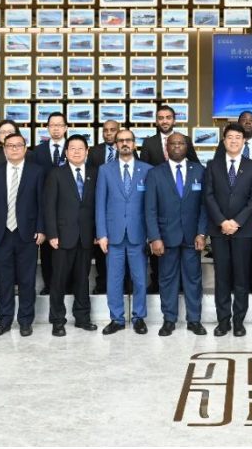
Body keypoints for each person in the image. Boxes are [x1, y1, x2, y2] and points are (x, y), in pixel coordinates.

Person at [144, 132, 208, 336]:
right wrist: (155, 238)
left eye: (181, 143)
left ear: (186, 147)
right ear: (167, 148)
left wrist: (202, 233)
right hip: (165, 237)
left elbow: (205, 206)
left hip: (192, 236)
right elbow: (150, 209)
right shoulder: (155, 173)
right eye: (173, 143)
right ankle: (169, 320)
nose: (177, 146)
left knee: (193, 279)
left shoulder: (200, 170)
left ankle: (194, 320)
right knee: (167, 279)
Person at [0, 132, 46, 337]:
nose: (15, 149)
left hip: (28, 233)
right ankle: (4, 320)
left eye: (19, 145)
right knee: (5, 280)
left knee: (27, 280)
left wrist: (41, 228)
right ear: (4, 149)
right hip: (1, 233)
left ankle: (25, 320)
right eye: (10, 145)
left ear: (25, 148)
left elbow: (42, 203)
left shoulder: (37, 171)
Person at [204, 124, 252, 336]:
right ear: (224, 141)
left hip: (243, 231)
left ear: (244, 141)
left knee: (241, 277)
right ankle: (223, 321)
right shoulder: (212, 165)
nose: (234, 141)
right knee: (222, 278)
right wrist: (222, 221)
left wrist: (237, 222)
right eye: (230, 137)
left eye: (238, 137)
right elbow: (208, 196)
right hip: (219, 231)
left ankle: (239, 321)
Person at [95, 129, 153, 335]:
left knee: (140, 278)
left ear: (134, 143)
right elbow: (100, 204)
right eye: (121, 141)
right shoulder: (105, 170)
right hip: (113, 235)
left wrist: (152, 234)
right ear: (116, 145)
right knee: (114, 279)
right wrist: (102, 234)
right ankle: (117, 318)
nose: (125, 143)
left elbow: (151, 205)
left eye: (128, 140)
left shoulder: (147, 170)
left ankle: (139, 317)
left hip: (139, 233)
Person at [141, 105, 200, 295]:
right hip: (161, 204)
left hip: (183, 204)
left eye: (168, 117)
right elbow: (144, 171)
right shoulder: (149, 143)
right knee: (161, 257)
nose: (164, 121)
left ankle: (181, 285)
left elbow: (195, 166)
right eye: (161, 118)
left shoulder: (185, 140)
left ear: (174, 120)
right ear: (156, 120)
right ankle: (157, 283)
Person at [44, 136, 98, 335]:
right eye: (72, 148)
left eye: (80, 148)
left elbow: (98, 205)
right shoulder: (56, 174)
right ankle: (57, 320)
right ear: (66, 153)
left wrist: (97, 232)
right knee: (58, 280)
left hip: (86, 235)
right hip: (62, 236)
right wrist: (52, 233)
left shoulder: (94, 173)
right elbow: (49, 206)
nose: (76, 152)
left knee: (82, 279)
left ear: (86, 151)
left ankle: (83, 317)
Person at [31, 112, 69, 295]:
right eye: (52, 125)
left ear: (66, 128)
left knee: (68, 246)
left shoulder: (73, 148)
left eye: (59, 125)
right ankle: (49, 284)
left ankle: (67, 284)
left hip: (69, 206)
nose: (56, 128)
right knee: (47, 248)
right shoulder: (38, 151)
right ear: (47, 128)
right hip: (46, 205)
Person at [87, 119, 121, 293]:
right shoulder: (94, 152)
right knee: (101, 244)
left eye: (112, 130)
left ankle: (123, 283)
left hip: (120, 207)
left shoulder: (126, 149)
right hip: (99, 203)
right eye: (105, 130)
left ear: (119, 131)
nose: (108, 133)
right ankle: (102, 283)